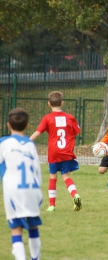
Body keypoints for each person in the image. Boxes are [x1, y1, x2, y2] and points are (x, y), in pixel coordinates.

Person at [0, 108, 43, 260]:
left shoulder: (4, 143)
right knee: (33, 227)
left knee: (16, 229)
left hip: (14, 191)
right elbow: (37, 172)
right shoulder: (31, 145)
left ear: (8, 125)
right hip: (32, 190)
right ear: (27, 126)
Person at [30, 91, 82, 212]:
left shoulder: (47, 118)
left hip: (54, 153)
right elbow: (76, 131)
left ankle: (52, 205)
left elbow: (37, 133)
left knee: (53, 177)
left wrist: (26, 142)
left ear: (49, 104)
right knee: (65, 176)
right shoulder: (70, 117)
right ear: (62, 103)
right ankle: (75, 195)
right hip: (67, 152)